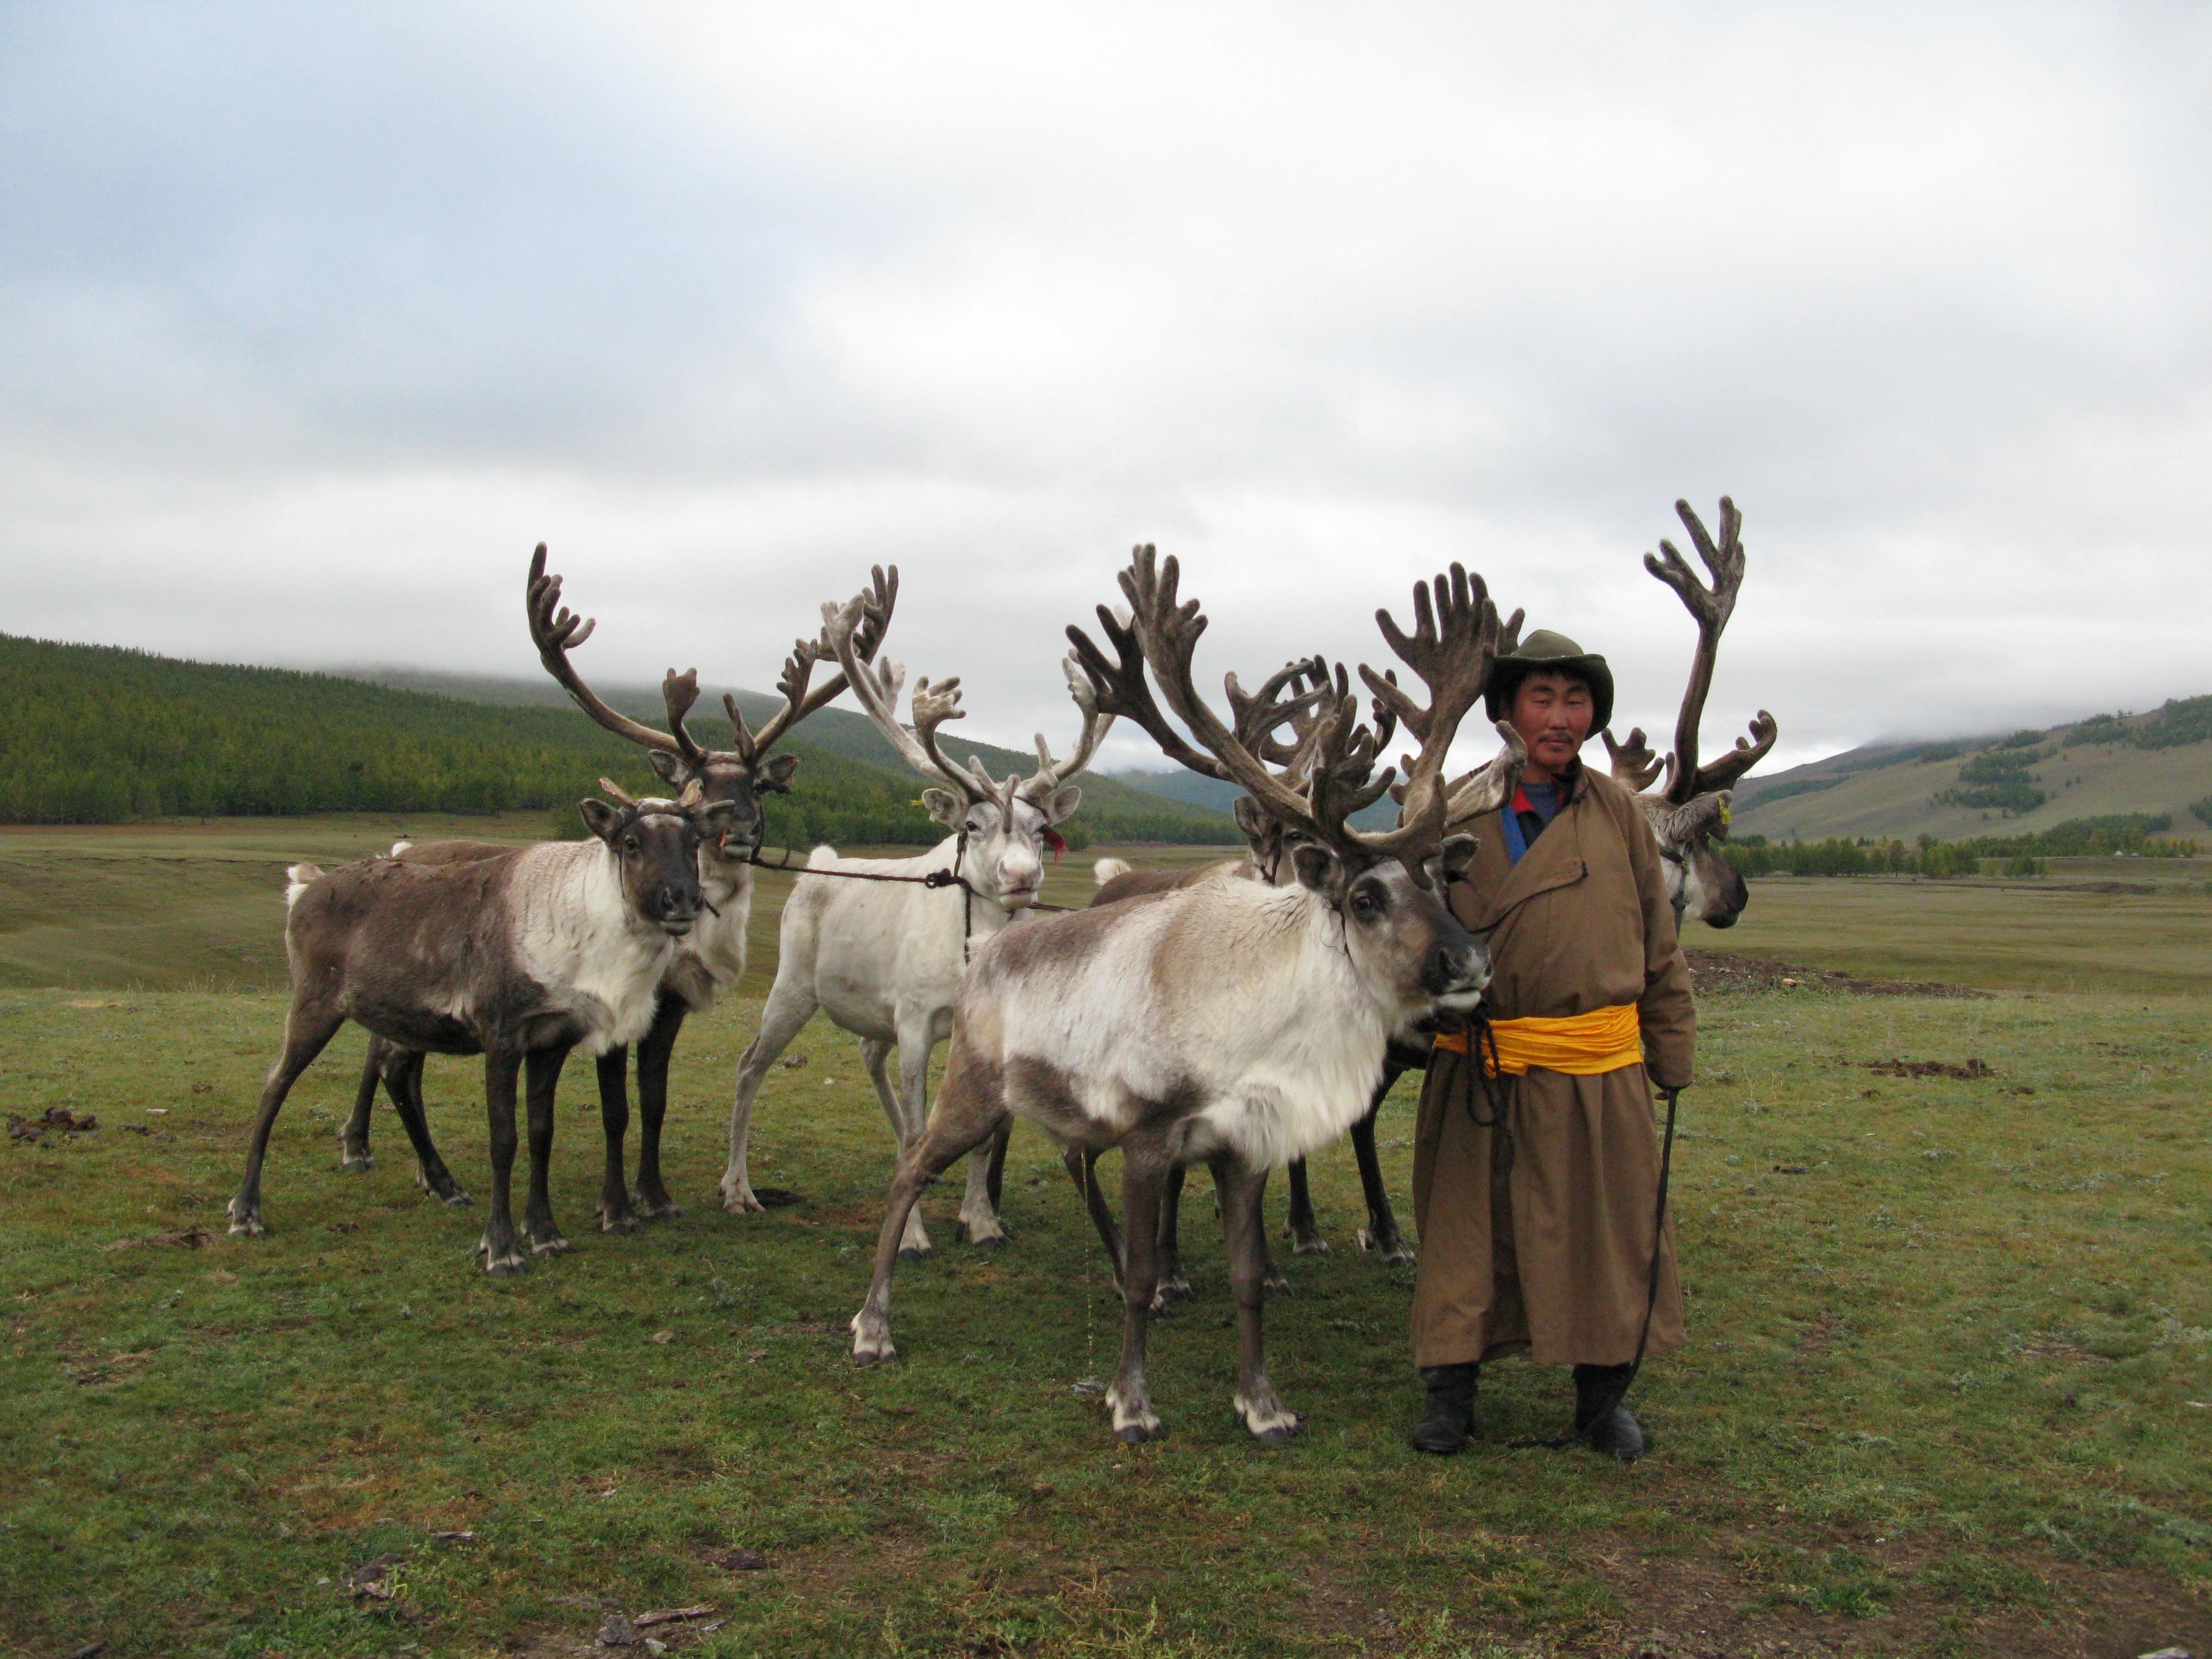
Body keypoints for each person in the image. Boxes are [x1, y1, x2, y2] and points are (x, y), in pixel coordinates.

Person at [1406, 629, 1694, 1459]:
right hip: (1481, 1066)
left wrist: (1670, 1053)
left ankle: (1603, 1403)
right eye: (1543, 699)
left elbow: (1658, 946)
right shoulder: (1450, 813)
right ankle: (1450, 1397)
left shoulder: (1623, 821)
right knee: (1467, 1233)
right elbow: (1411, 934)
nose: (1561, 718)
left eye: (1576, 701)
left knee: (1606, 1235)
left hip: (1596, 1068)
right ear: (1506, 712)